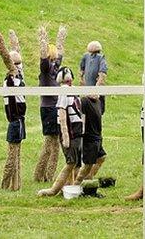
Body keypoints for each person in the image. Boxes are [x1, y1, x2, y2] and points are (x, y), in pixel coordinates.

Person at [38, 66, 83, 196]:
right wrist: (65, 135)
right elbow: (62, 115)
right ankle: (54, 189)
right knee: (71, 163)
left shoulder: (73, 91)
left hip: (77, 131)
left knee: (76, 163)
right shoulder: (63, 92)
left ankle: (70, 189)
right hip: (71, 132)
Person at [0, 25, 26, 191]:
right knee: (12, 155)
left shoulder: (17, 77)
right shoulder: (10, 80)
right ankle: (5, 184)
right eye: (17, 64)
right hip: (14, 120)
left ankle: (16, 184)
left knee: (17, 154)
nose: (20, 67)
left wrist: (14, 41)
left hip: (20, 119)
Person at [34, 25, 66, 182]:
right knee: (51, 145)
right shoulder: (46, 71)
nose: (55, 62)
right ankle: (42, 175)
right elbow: (44, 60)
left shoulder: (54, 70)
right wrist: (43, 41)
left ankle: (46, 175)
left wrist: (61, 37)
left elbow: (60, 56)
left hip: (54, 109)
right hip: (48, 109)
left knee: (54, 145)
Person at [76, 94, 106, 181]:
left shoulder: (99, 100)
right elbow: (82, 117)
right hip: (89, 138)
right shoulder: (84, 101)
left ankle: (88, 179)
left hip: (97, 136)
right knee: (87, 165)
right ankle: (76, 185)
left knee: (101, 157)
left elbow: (101, 112)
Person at [79, 41, 108, 114]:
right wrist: (82, 83)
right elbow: (81, 72)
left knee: (98, 111)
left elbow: (102, 74)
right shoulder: (86, 56)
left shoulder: (101, 58)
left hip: (96, 90)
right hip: (88, 89)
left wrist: (97, 88)